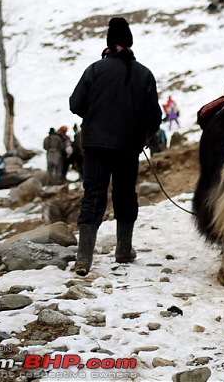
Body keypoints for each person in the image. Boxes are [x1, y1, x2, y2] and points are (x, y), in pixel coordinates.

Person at [69, 17, 162, 276]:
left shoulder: (95, 69)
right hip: (128, 147)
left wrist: (96, 114)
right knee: (125, 194)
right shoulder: (144, 74)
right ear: (130, 43)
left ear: (109, 43)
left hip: (96, 145)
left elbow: (75, 104)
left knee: (94, 195)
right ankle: (123, 249)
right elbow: (155, 116)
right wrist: (142, 136)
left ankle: (84, 258)